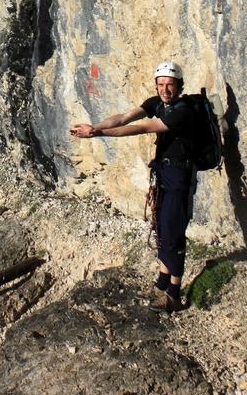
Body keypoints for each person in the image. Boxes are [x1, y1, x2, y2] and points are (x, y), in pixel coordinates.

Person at [70, 61, 197, 312]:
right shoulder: (158, 103)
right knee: (162, 227)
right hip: (164, 172)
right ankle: (162, 284)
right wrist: (96, 126)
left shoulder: (182, 111)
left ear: (179, 86)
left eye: (170, 85)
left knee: (173, 231)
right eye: (161, 84)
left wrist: (98, 134)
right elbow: (125, 117)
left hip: (179, 176)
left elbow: (141, 127)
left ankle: (174, 293)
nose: (165, 89)